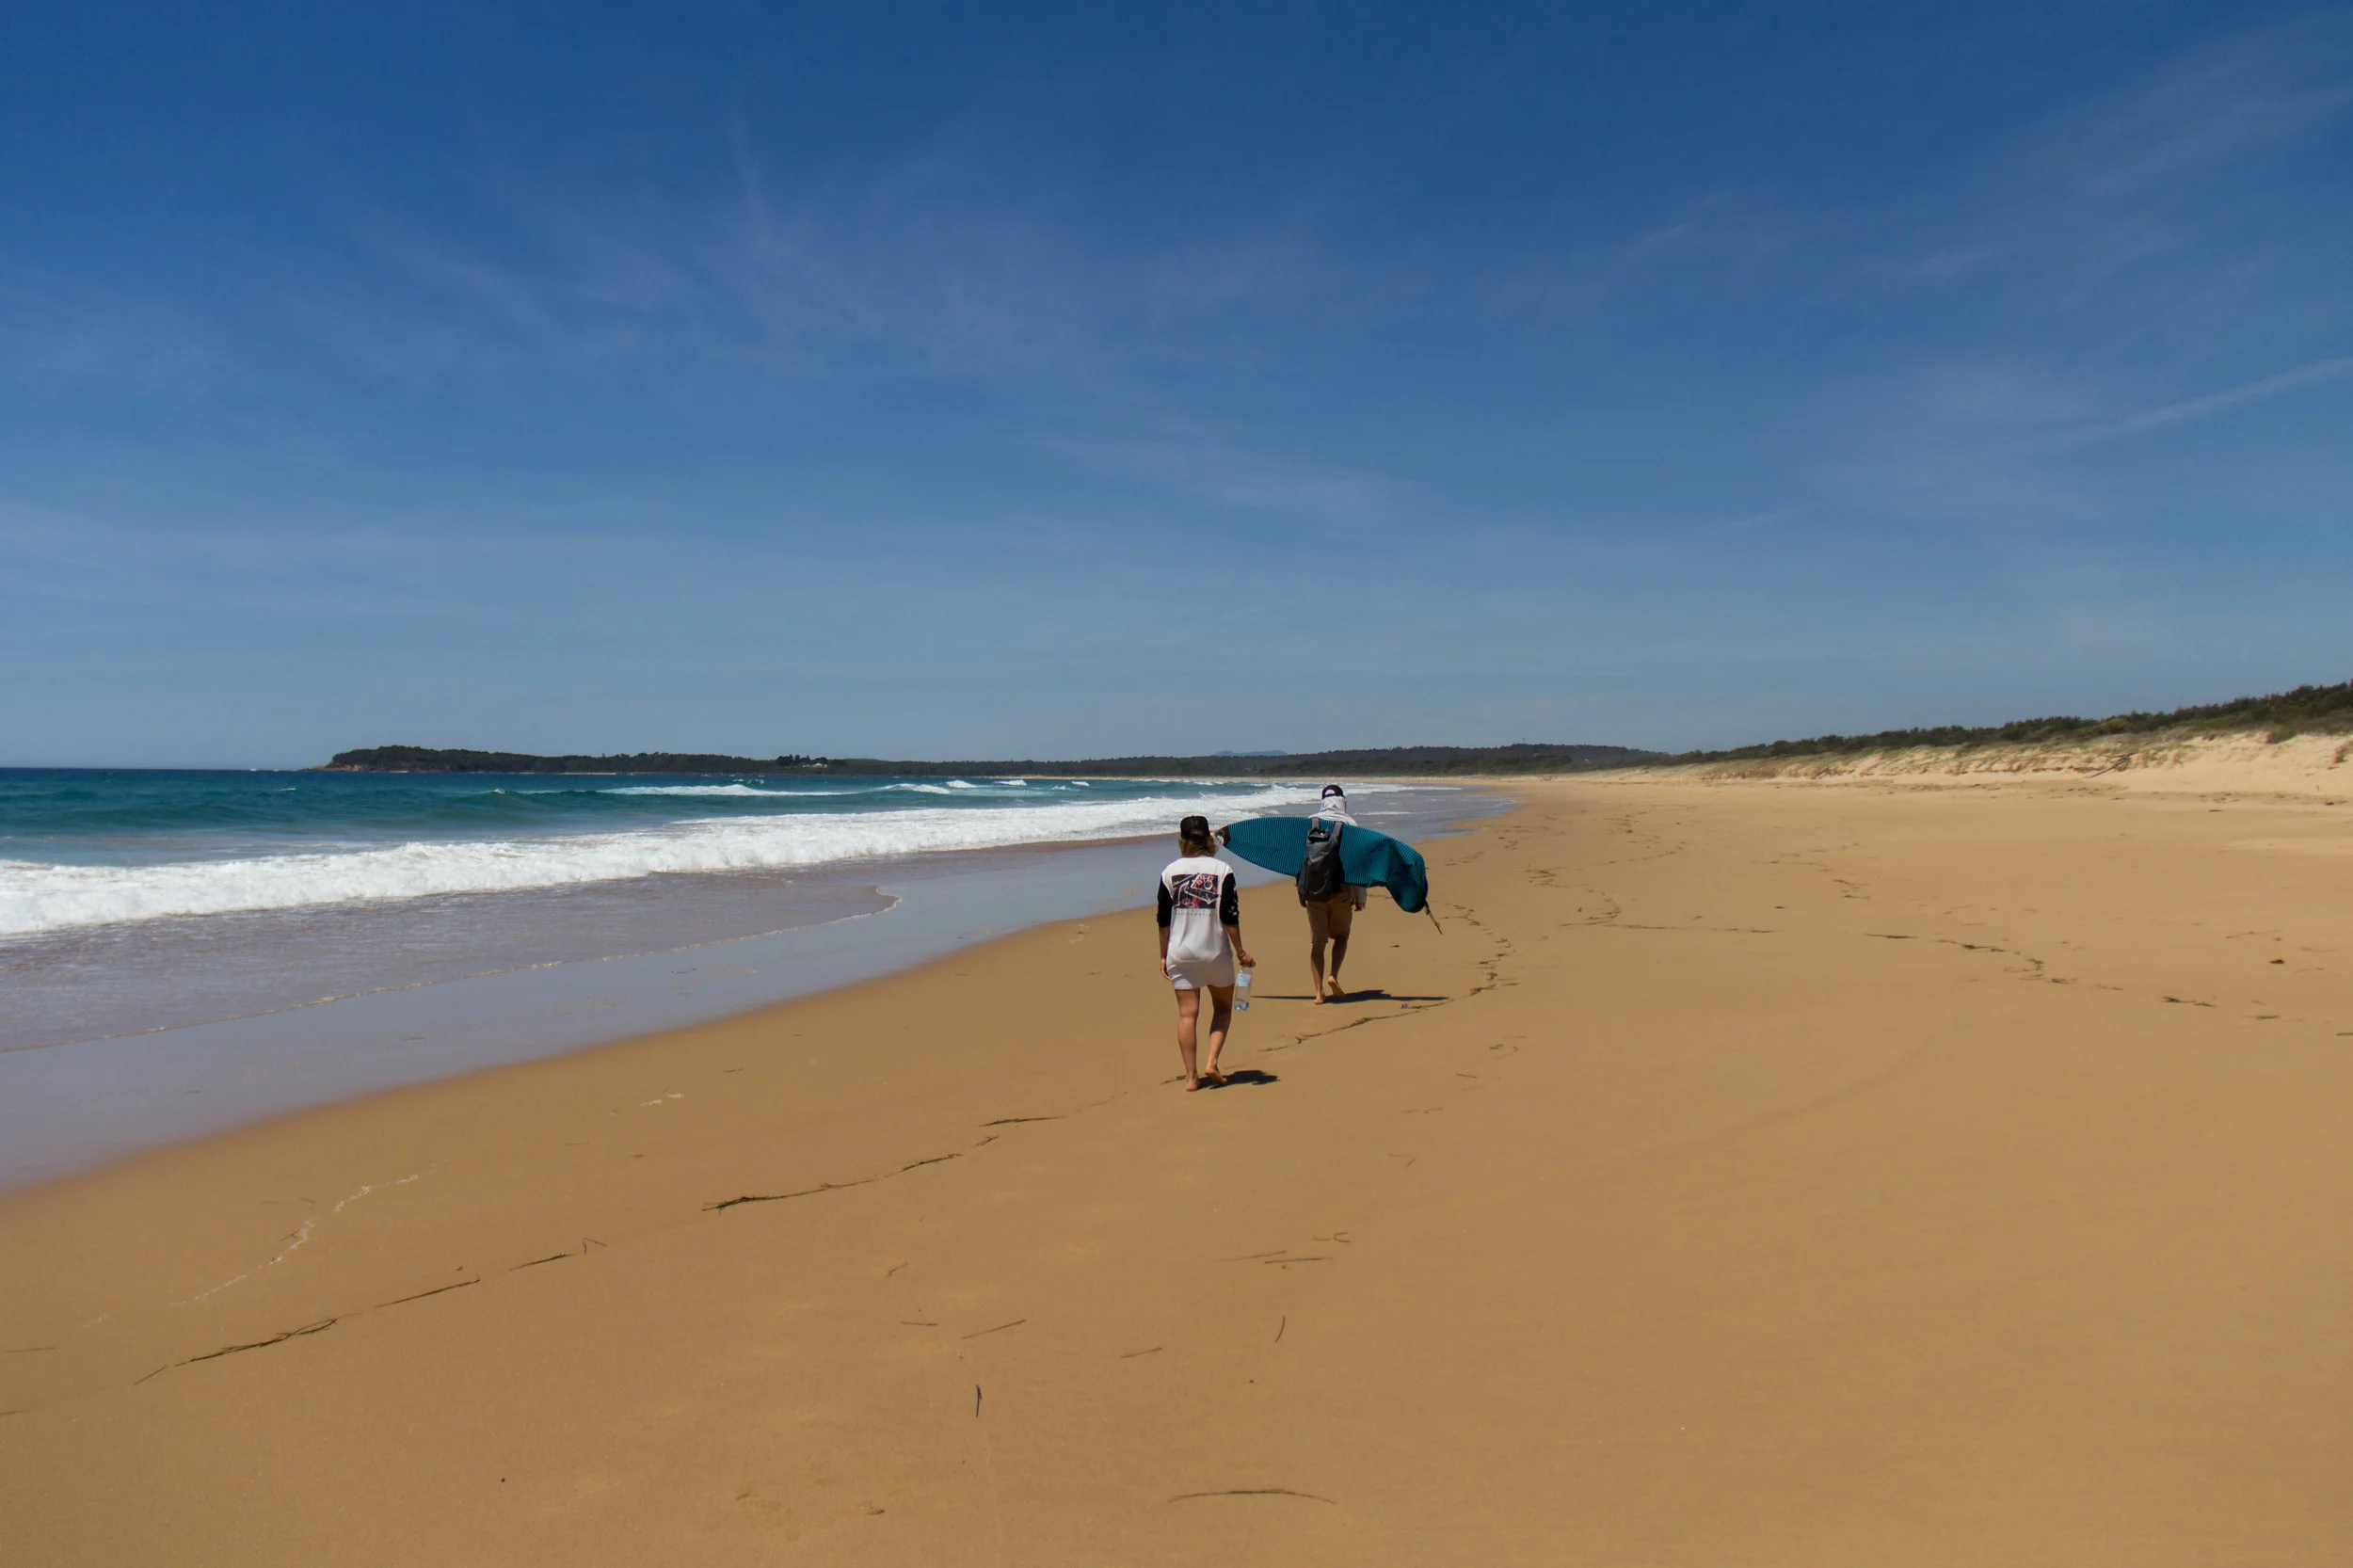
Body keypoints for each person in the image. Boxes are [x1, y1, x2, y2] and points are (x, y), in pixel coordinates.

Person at [1157, 814, 1256, 1090]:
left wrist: (1163, 954)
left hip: (1181, 952)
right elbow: (1230, 916)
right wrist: (1241, 952)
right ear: (1209, 840)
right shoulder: (1223, 870)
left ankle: (1190, 1078)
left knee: (1188, 1014)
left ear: (1183, 841)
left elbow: (1163, 919)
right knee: (1223, 1008)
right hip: (1214, 952)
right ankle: (1211, 1061)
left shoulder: (1169, 872)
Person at [1302, 785, 1369, 1003]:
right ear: (1342, 801)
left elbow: (1300, 862)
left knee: (1317, 943)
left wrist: (1301, 892)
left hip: (1312, 893)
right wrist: (1360, 896)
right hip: (1341, 892)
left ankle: (1318, 993)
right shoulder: (1349, 824)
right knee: (1341, 937)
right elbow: (1356, 864)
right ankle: (1334, 975)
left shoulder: (1310, 822)